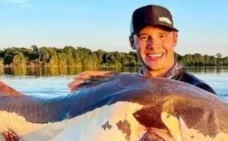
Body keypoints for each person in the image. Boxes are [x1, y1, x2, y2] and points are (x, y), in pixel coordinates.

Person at [68, 4, 216, 95]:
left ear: (175, 39)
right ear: (133, 42)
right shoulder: (120, 87)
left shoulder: (201, 93)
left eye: (162, 36)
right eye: (145, 37)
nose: (154, 44)